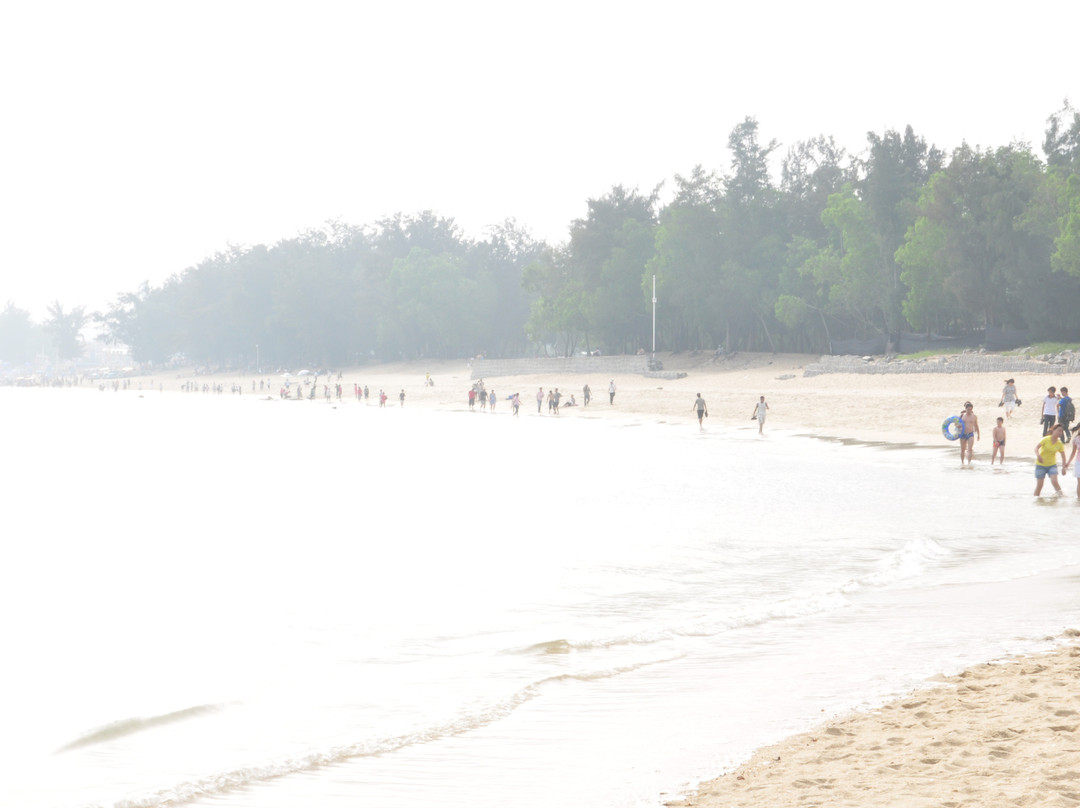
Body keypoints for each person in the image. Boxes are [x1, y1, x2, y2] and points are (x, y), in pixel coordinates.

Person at [1034, 424, 1067, 496]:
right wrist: (1038, 455)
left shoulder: (1059, 443)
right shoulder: (1046, 439)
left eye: (1061, 431)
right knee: (1039, 486)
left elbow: (1063, 456)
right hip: (1040, 465)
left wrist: (1064, 468)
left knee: (1054, 481)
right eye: (1059, 431)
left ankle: (1061, 497)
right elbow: (1036, 448)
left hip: (1052, 465)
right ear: (1053, 430)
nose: (1060, 433)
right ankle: (1036, 500)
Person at [1062, 430, 1080, 498]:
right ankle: (1079, 500)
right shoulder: (1076, 439)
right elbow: (1073, 452)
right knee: (1079, 483)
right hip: (1079, 462)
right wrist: (1068, 463)